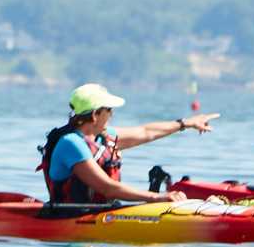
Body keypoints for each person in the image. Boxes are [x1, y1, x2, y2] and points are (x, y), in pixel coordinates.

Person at [40, 83, 213, 204]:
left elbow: (146, 132)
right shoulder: (71, 144)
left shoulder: (103, 138)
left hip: (101, 213)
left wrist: (186, 123)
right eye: (109, 110)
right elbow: (108, 189)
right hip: (70, 217)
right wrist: (157, 197)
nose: (112, 114)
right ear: (94, 115)